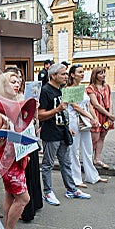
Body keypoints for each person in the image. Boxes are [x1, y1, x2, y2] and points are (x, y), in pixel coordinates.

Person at [38, 63, 91, 206]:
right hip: (50, 133)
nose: (66, 76)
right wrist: (57, 109)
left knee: (66, 163)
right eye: (63, 74)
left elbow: (64, 111)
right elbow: (40, 115)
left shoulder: (62, 90)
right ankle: (48, 192)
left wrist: (67, 127)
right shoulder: (45, 91)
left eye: (66, 74)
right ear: (53, 75)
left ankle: (71, 189)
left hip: (63, 132)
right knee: (48, 164)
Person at [0, 72, 30, 229]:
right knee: (23, 198)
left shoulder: (20, 103)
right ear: (3, 84)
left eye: (18, 81)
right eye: (12, 81)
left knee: (10, 194)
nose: (17, 84)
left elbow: (30, 130)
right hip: (7, 159)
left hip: (18, 156)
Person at [66, 65, 108, 187]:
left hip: (84, 120)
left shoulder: (82, 88)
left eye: (83, 72)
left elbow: (89, 105)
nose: (82, 74)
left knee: (88, 148)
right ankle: (76, 179)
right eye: (79, 72)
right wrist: (90, 118)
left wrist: (94, 117)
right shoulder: (68, 89)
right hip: (73, 120)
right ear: (72, 75)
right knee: (74, 150)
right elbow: (75, 106)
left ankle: (92, 176)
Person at [86, 66, 115, 170]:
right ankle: (88, 161)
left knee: (102, 137)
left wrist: (110, 115)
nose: (103, 75)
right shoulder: (90, 88)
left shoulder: (107, 87)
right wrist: (109, 114)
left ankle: (97, 159)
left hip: (106, 115)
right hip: (96, 115)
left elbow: (110, 101)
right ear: (95, 75)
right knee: (95, 138)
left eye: (104, 73)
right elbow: (96, 104)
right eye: (100, 73)